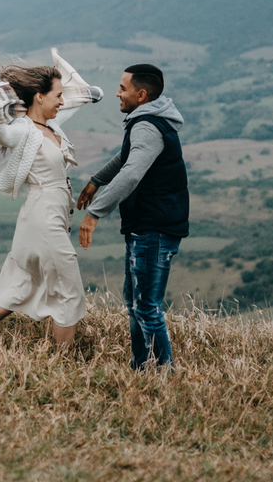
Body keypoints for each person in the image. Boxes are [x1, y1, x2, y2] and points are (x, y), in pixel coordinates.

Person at [0, 50, 103, 350]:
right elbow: (3, 134)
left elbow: (74, 100)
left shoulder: (52, 124)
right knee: (68, 289)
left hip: (47, 214)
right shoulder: (22, 130)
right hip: (43, 216)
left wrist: (90, 93)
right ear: (39, 97)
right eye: (57, 95)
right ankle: (62, 362)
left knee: (22, 278)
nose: (61, 100)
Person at [75, 63, 188, 370]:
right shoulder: (149, 121)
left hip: (155, 227)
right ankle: (140, 366)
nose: (117, 93)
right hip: (148, 224)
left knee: (146, 305)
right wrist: (96, 179)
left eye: (122, 88)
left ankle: (165, 374)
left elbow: (131, 173)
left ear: (141, 94)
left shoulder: (147, 126)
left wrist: (94, 214)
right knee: (135, 302)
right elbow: (126, 156)